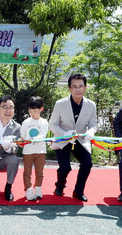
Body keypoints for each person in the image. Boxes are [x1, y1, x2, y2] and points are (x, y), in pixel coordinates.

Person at [49, 73, 97, 202]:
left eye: (81, 86)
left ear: (85, 87)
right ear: (69, 88)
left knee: (87, 163)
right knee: (65, 167)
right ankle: (59, 186)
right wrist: (64, 134)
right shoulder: (60, 104)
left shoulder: (91, 105)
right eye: (74, 86)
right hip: (62, 139)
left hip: (80, 140)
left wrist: (91, 132)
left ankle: (78, 191)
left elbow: (93, 124)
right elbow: (52, 124)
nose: (78, 89)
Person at [20, 96, 48, 201]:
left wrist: (35, 138)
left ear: (41, 109)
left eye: (35, 111)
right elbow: (22, 135)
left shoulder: (44, 122)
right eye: (31, 111)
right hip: (28, 151)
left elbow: (43, 134)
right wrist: (22, 141)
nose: (32, 113)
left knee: (39, 172)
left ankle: (38, 189)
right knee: (27, 172)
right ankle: (28, 190)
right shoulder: (26, 122)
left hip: (40, 151)